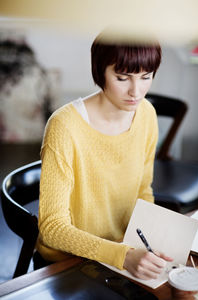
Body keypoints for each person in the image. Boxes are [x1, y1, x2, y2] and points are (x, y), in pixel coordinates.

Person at [36, 31, 173, 280]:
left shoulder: (147, 114)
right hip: (70, 262)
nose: (136, 91)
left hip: (124, 247)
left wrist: (147, 242)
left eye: (146, 77)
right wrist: (122, 255)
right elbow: (51, 229)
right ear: (100, 72)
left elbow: (143, 192)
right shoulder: (64, 126)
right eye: (122, 78)